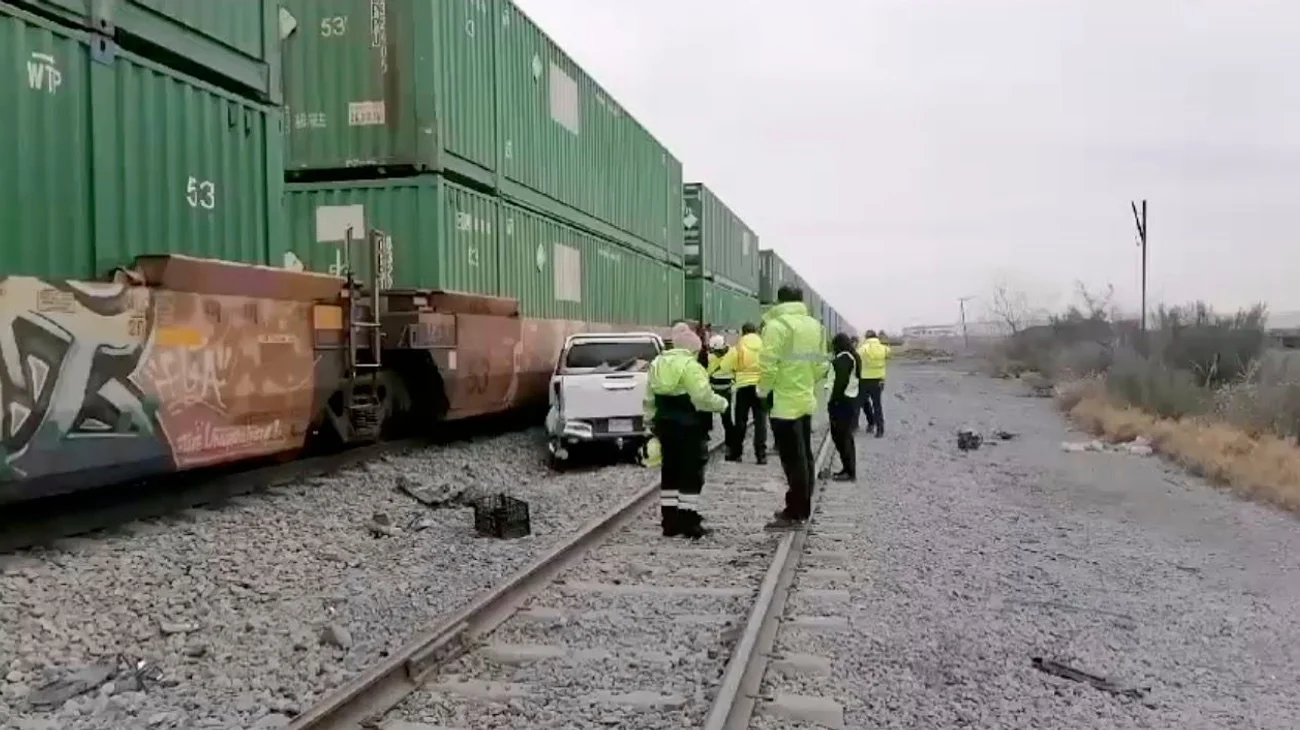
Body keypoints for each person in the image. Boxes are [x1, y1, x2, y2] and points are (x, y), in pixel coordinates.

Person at [645, 322, 729, 538]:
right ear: (692, 348)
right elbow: (702, 398)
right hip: (691, 426)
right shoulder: (691, 367)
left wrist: (650, 422)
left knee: (670, 471)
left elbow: (649, 398)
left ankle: (669, 520)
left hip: (665, 424)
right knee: (692, 473)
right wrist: (722, 404)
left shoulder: (657, 364)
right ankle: (688, 519)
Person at [758, 286, 828, 530]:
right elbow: (820, 367)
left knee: (792, 460)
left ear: (779, 300)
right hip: (805, 399)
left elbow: (768, 365)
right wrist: (805, 382)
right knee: (805, 456)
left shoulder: (776, 327)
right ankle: (801, 508)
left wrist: (763, 391)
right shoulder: (816, 327)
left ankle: (795, 513)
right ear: (801, 301)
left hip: (783, 403)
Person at [716, 323, 766, 463]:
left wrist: (735, 370)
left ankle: (736, 453)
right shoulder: (764, 346)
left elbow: (725, 366)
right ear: (756, 331)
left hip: (743, 387)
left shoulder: (738, 347)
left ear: (742, 333)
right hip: (760, 386)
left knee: (741, 421)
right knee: (760, 422)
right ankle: (761, 455)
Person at [828, 333, 861, 481]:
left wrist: (832, 401)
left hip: (841, 403)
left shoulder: (843, 359)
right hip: (849, 401)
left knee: (842, 438)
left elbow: (839, 383)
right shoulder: (852, 356)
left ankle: (849, 471)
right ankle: (848, 469)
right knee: (844, 437)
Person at [857, 330, 892, 437]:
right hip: (878, 380)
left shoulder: (863, 349)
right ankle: (880, 430)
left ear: (866, 338)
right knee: (877, 405)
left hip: (864, 380)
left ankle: (868, 423)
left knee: (861, 403)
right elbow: (889, 355)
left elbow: (856, 358)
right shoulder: (884, 349)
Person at [706, 334, 735, 447]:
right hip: (713, 388)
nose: (716, 354)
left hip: (725, 390)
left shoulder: (732, 355)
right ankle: (706, 435)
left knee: (726, 418)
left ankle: (730, 442)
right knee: (706, 413)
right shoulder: (711, 356)